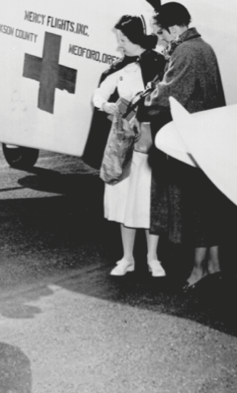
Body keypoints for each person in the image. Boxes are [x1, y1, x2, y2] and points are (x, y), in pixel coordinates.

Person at [140, 0, 227, 290]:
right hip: (206, 136)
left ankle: (198, 270)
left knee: (195, 208)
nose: (160, 40)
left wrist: (144, 100)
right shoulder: (203, 47)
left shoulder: (186, 51)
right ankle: (214, 264)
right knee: (207, 205)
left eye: (161, 33)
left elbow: (169, 93)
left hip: (191, 140)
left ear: (174, 29)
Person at [93, 15, 166, 277]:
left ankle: (153, 258)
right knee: (125, 201)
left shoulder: (161, 64)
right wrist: (107, 106)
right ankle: (127, 258)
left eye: (122, 39)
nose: (119, 45)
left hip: (150, 146)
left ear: (134, 39)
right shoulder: (121, 69)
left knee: (147, 200)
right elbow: (99, 94)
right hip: (123, 144)